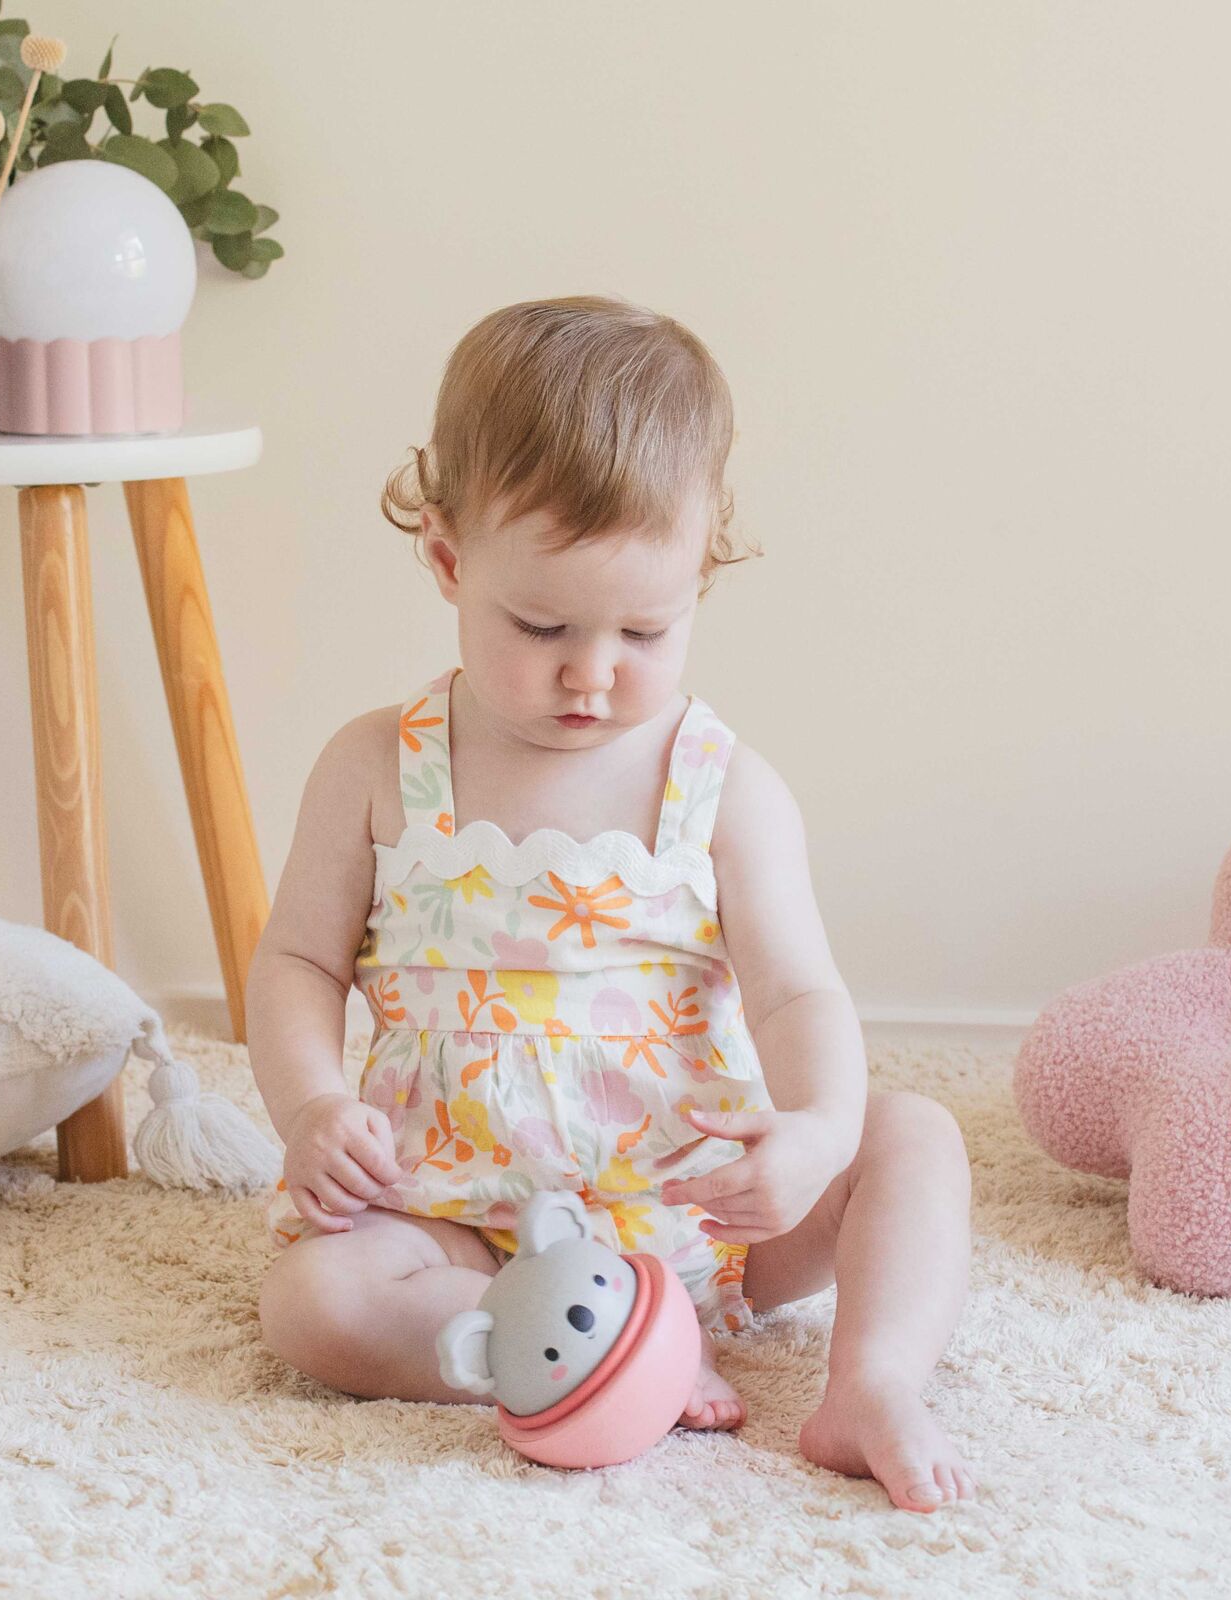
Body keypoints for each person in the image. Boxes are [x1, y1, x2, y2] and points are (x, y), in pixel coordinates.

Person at [248, 295, 976, 1512]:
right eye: (541, 624)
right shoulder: (376, 764)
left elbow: (797, 992)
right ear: (448, 560)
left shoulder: (722, 786)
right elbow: (298, 965)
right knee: (313, 1303)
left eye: (645, 628)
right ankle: (587, 1352)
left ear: (701, 576)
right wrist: (313, 1105)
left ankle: (874, 1380)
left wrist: (813, 1132)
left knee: (914, 1137)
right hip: (456, 1222)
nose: (590, 672)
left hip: (693, 1210)